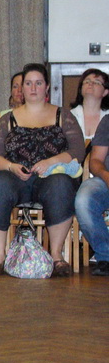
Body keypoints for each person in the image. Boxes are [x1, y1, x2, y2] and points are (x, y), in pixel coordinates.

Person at [0, 63, 84, 277]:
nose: (33, 88)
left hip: (51, 176)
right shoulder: (7, 119)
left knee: (61, 185)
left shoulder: (63, 116)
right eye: (28, 83)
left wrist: (51, 161)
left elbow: (77, 150)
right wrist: (11, 166)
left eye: (38, 83)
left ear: (47, 87)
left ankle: (56, 255)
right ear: (22, 88)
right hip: (16, 177)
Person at [74, 115, 109, 276]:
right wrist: (106, 176)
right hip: (105, 180)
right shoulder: (107, 121)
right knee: (84, 200)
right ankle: (105, 256)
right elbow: (95, 160)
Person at [69, 68, 109, 143]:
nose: (90, 84)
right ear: (81, 89)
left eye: (97, 82)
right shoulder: (68, 116)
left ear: (105, 92)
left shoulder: (108, 116)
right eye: (87, 82)